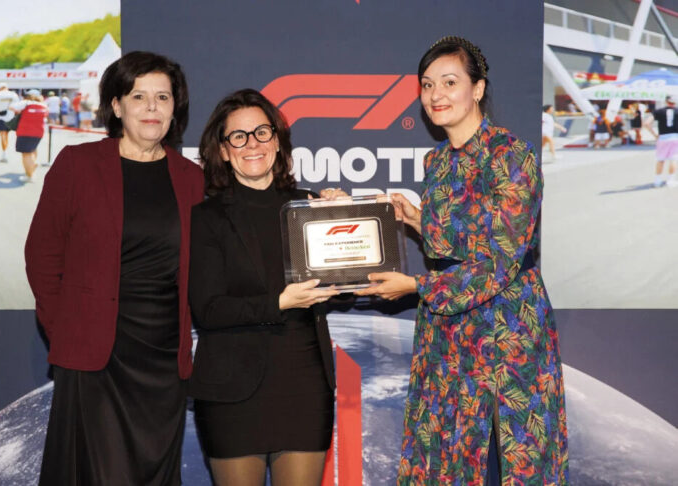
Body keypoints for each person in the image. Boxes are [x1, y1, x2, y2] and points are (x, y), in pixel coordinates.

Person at [354, 36, 569, 484]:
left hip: (506, 330)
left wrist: (417, 287)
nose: (436, 94)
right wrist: (416, 219)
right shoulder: (436, 162)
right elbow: (459, 241)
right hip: (448, 335)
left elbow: (500, 259)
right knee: (447, 460)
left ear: (478, 88)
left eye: (449, 82)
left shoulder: (512, 155)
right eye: (427, 84)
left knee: (506, 463)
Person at [25, 51, 204, 485]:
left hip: (162, 361)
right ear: (117, 106)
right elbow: (42, 256)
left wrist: (316, 203)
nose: (152, 107)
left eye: (163, 97)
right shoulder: (78, 165)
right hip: (94, 356)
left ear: (175, 108)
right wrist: (66, 329)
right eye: (138, 96)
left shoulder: (192, 178)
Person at [188, 88, 339, 486]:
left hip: (304, 383)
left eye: (261, 132)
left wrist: (345, 218)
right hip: (231, 391)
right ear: (223, 151)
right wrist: (280, 302)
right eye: (238, 136)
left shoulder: (310, 206)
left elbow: (348, 283)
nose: (252, 144)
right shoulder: (206, 218)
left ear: (277, 140)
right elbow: (208, 310)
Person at [13, 90, 48, 182]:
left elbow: (12, 107)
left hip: (25, 131)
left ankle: (30, 175)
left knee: (26, 154)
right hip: (39, 132)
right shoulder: (43, 105)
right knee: (33, 149)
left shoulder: (25, 103)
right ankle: (32, 164)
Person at [644, 96, 678, 187]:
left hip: (662, 137)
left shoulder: (658, 111)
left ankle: (657, 180)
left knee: (660, 159)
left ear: (666, 101)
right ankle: (670, 180)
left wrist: (655, 135)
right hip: (675, 137)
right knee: (673, 159)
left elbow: (646, 123)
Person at [0, 83, 20, 161]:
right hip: (11, 117)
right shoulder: (14, 95)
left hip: (0, 117)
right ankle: (5, 152)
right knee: (7, 135)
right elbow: (17, 107)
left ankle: (4, 153)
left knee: (3, 135)